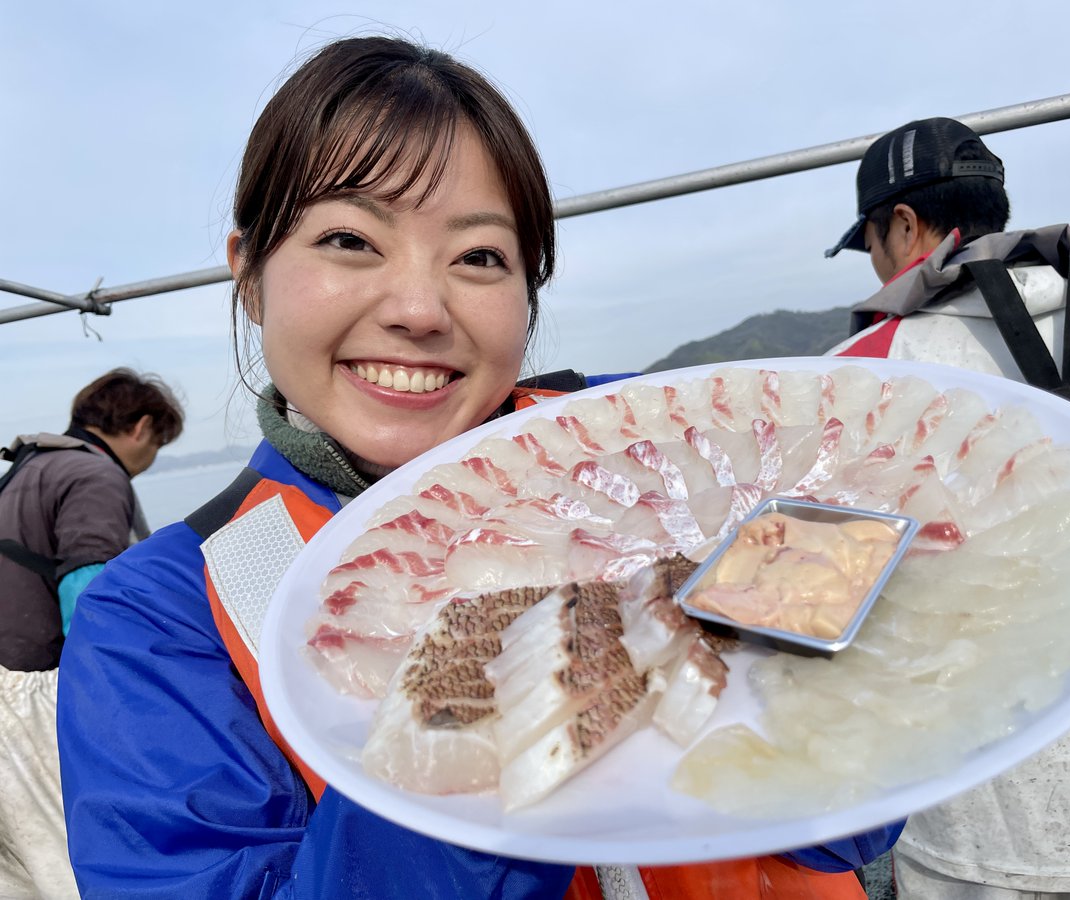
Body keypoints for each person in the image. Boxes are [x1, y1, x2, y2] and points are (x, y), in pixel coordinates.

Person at [56, 35, 900, 899]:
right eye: (349, 239)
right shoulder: (158, 619)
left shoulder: (652, 446)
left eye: (480, 257)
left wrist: (833, 630)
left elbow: (847, 824)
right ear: (250, 277)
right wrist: (487, 710)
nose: (421, 309)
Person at [826, 116, 1070, 899]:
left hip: (981, 836)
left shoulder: (857, 376)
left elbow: (806, 597)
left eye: (869, 244)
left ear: (902, 224)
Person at [0, 367, 183, 899]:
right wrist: (117, 704)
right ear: (142, 427)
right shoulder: (95, 476)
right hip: (27, 699)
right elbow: (89, 588)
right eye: (158, 444)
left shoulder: (26, 469)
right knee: (73, 866)